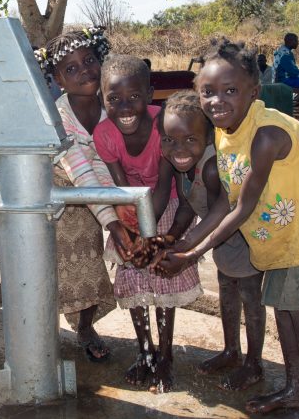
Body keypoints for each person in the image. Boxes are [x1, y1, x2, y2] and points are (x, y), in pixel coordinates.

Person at [153, 38, 299, 418]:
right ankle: (295, 389)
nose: (218, 101)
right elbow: (223, 204)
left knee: (298, 309)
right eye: (208, 92)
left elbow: (242, 208)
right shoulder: (226, 132)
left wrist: (191, 254)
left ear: (253, 91)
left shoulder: (265, 135)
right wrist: (182, 245)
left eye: (230, 91)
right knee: (282, 306)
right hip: (289, 228)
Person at [93, 54, 202, 392]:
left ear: (150, 93)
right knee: (134, 282)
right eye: (114, 99)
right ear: (102, 99)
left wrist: (152, 238)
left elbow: (165, 182)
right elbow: (122, 186)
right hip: (130, 207)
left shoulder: (162, 125)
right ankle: (145, 352)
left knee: (161, 280)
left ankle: (165, 357)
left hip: (164, 203)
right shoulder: (104, 134)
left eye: (135, 97)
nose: (125, 106)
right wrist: (131, 233)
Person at [33, 28, 134, 363]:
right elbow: (81, 170)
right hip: (63, 195)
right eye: (71, 68)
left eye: (89, 60)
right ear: (58, 79)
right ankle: (57, 332)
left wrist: (120, 212)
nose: (84, 71)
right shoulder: (58, 118)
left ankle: (85, 326)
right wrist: (114, 222)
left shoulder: (114, 107)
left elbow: (112, 162)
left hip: (98, 191)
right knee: (65, 263)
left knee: (91, 258)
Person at [157, 90, 266, 391]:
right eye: (169, 140)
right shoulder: (183, 165)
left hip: (241, 235)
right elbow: (187, 204)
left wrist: (189, 246)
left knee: (249, 296)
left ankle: (254, 363)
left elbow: (223, 210)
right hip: (217, 240)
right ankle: (232, 351)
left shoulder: (209, 166)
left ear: (207, 138)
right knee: (227, 290)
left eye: (189, 139)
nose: (177, 147)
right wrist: (172, 238)